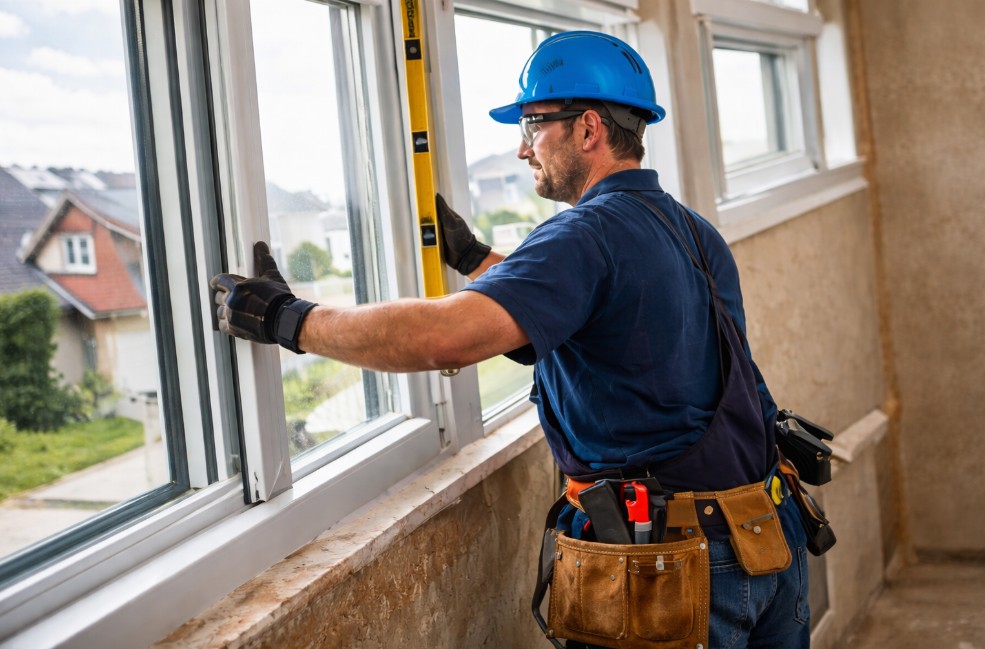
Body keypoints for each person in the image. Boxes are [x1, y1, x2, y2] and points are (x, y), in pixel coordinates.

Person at [211, 30, 810, 649]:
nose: (523, 149)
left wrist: (289, 318)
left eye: (532, 125)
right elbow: (597, 311)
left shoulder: (586, 234)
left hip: (676, 570)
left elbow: (443, 338)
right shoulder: (687, 228)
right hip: (764, 536)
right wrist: (473, 259)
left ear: (587, 129)